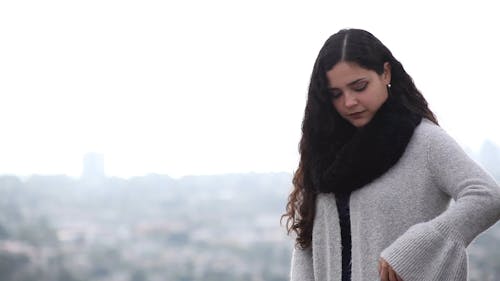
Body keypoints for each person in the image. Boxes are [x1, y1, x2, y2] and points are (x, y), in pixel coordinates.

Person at [282, 28, 500, 281]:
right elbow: (306, 243)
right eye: (336, 94)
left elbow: (487, 196)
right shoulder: (324, 151)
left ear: (385, 73)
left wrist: (420, 243)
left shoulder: (424, 140)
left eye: (359, 86)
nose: (349, 101)